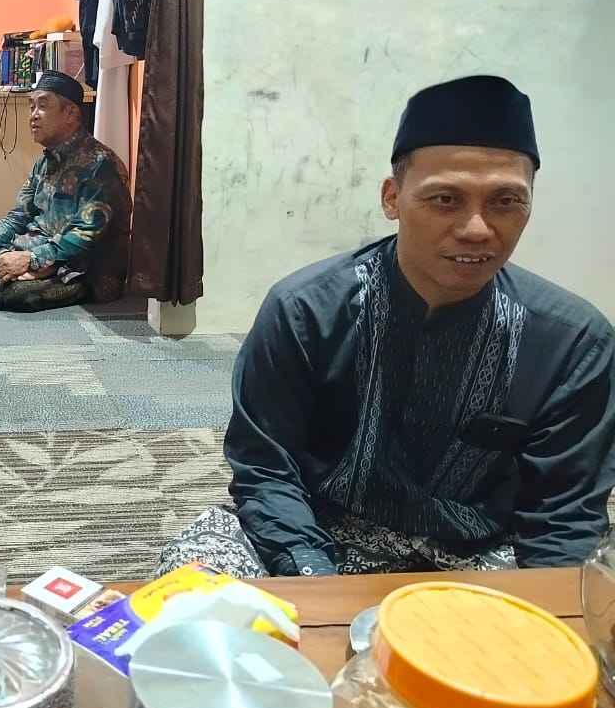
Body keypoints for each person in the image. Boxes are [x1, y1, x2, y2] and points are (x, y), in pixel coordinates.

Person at [159, 75, 615, 579]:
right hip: (324, 531)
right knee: (196, 571)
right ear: (392, 198)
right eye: (445, 199)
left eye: (505, 201)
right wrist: (314, 580)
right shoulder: (305, 311)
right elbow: (266, 467)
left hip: (481, 551)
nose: (477, 228)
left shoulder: (574, 342)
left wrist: (540, 610)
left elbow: (563, 514)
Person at [0, 70, 131, 312]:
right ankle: (12, 268)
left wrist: (33, 260)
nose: (33, 116)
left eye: (43, 106)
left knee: (14, 294)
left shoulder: (101, 165)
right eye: (31, 107)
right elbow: (20, 215)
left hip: (85, 269)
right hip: (42, 247)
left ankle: (21, 273)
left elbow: (83, 237)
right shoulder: (45, 161)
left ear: (70, 114)